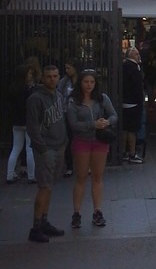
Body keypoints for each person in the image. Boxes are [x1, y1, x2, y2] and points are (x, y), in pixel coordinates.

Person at [67, 69, 118, 229]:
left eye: (92, 82)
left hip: (99, 141)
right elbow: (73, 124)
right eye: (86, 82)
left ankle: (97, 210)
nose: (89, 85)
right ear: (80, 83)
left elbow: (114, 115)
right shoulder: (74, 101)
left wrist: (107, 122)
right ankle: (77, 212)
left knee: (97, 176)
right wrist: (92, 125)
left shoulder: (102, 99)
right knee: (81, 177)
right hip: (82, 140)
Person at [26, 64, 67, 243]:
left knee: (49, 185)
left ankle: (44, 220)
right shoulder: (35, 99)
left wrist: (64, 142)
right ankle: (35, 226)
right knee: (44, 186)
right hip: (46, 148)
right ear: (43, 78)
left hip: (59, 145)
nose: (52, 79)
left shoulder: (58, 95)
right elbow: (32, 127)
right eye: (49, 76)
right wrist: (41, 147)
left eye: (55, 76)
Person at [6, 64, 36, 185]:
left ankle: (9, 174)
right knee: (30, 148)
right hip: (28, 121)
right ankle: (31, 175)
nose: (31, 76)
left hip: (16, 121)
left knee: (16, 148)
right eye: (29, 73)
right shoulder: (27, 89)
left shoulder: (12, 88)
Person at [58, 58, 81, 177]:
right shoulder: (64, 81)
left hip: (81, 113)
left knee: (81, 138)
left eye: (69, 68)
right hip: (67, 112)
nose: (66, 70)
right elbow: (59, 95)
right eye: (65, 68)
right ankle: (70, 165)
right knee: (69, 138)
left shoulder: (82, 80)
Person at [122, 47, 145, 164]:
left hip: (124, 101)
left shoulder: (123, 66)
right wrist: (140, 100)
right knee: (132, 129)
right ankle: (132, 153)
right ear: (131, 55)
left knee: (125, 128)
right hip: (133, 103)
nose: (138, 55)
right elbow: (137, 87)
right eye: (136, 54)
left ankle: (123, 152)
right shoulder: (135, 68)